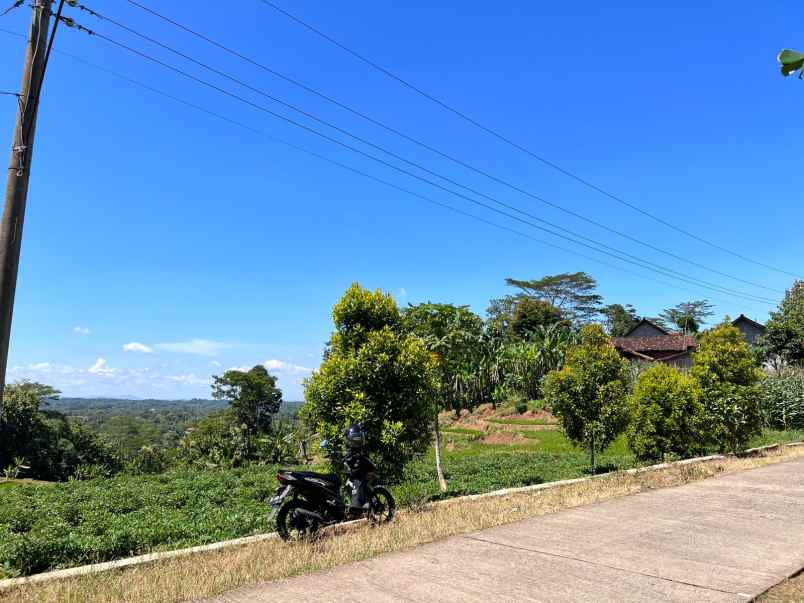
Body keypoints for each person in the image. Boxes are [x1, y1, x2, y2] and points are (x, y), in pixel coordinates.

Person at [342, 423, 375, 513]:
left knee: (354, 481)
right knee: (351, 481)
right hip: (363, 471)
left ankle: (358, 505)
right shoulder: (356, 452)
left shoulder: (357, 454)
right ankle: (358, 505)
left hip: (362, 473)